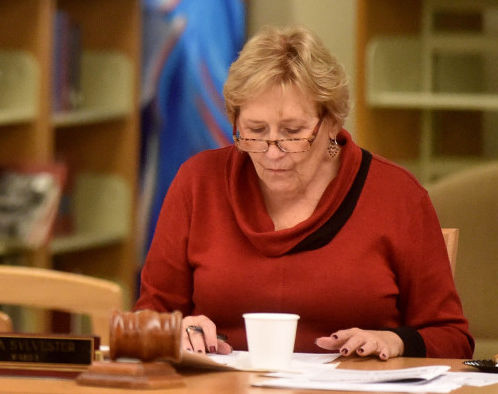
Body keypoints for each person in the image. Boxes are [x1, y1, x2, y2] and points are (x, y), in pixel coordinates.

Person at [135, 25, 473, 360]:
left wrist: (395, 341)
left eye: (293, 132)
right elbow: (147, 318)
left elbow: (452, 339)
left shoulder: (397, 196)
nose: (272, 151)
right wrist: (172, 330)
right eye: (254, 131)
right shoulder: (198, 182)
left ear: (331, 123)